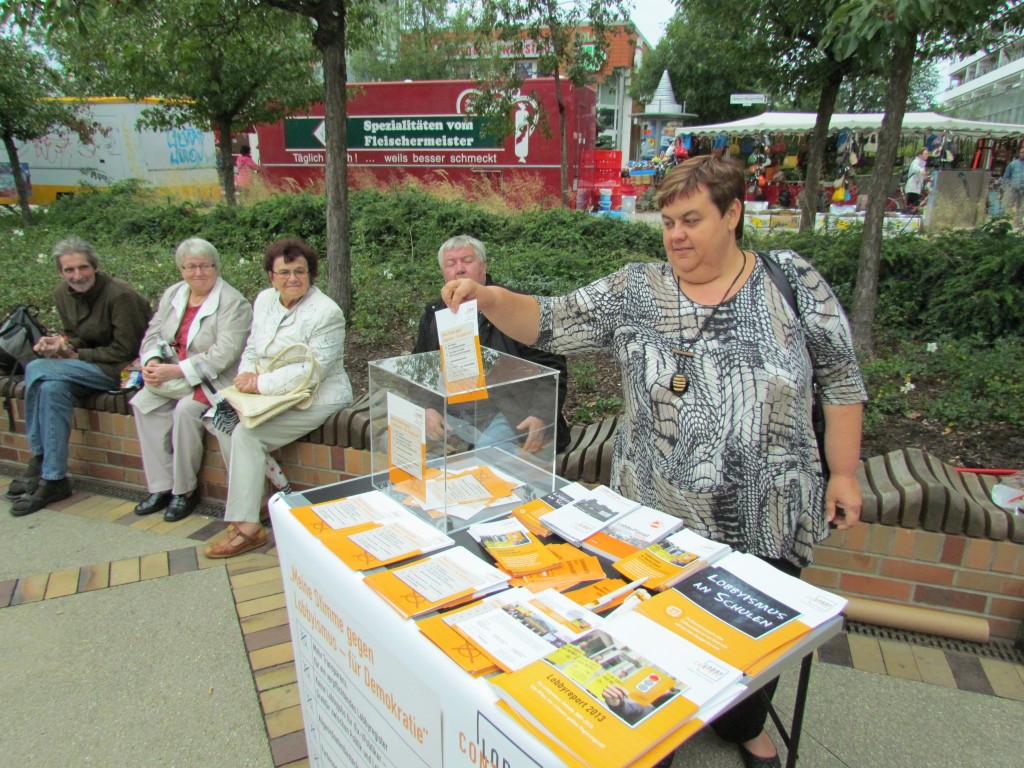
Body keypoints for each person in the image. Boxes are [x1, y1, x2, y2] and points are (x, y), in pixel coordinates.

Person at [441, 156, 866, 768]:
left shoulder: (790, 281)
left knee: (751, 639)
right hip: (655, 514)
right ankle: (652, 732)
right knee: (650, 640)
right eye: (667, 221)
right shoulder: (638, 289)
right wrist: (486, 297)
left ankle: (743, 723)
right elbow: (553, 321)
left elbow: (841, 378)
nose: (676, 235)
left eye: (692, 219)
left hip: (767, 511)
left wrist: (844, 471)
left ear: (734, 214)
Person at [205, 238, 352, 558]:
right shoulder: (264, 301)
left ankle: (248, 528)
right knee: (221, 421)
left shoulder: (326, 312)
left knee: (248, 434)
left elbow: (312, 371)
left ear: (311, 274)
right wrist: (245, 375)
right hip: (268, 394)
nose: (292, 278)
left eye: (300, 271)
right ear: (271, 276)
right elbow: (254, 348)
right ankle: (252, 509)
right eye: (284, 272)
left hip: (316, 396)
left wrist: (260, 383)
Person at [7, 237, 152, 516]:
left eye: (83, 268)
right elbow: (76, 336)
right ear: (61, 273)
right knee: (51, 390)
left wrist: (76, 356)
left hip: (119, 371)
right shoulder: (62, 293)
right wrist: (61, 345)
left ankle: (37, 457)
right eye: (69, 270)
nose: (77, 276)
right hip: (85, 369)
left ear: (95, 267)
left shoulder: (120, 296)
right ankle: (54, 478)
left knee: (37, 369)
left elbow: (127, 350)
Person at [130, 238, 253, 522]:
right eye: (190, 267)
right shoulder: (174, 294)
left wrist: (177, 370)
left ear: (216, 267)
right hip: (171, 374)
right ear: (181, 269)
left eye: (205, 266)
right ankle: (160, 486)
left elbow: (224, 354)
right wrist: (152, 361)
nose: (198, 273)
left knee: (186, 411)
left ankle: (183, 491)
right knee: (143, 404)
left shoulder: (233, 303)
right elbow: (154, 333)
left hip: (212, 379)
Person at [413, 235, 570, 454]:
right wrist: (428, 407)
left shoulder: (512, 305)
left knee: (488, 456)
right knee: (405, 441)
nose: (459, 269)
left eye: (466, 260)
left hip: (507, 412)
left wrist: (541, 414)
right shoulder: (434, 314)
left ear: (484, 265)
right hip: (454, 413)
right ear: (443, 272)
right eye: (451, 264)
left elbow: (552, 364)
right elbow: (421, 366)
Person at [1001, 145, 1024, 230]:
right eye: (1022, 152)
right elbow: (1006, 177)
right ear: (1019, 153)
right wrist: (1007, 188)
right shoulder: (1012, 164)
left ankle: (1019, 226)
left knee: (1022, 208)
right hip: (1012, 189)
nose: (1023, 154)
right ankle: (1005, 224)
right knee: (1007, 206)